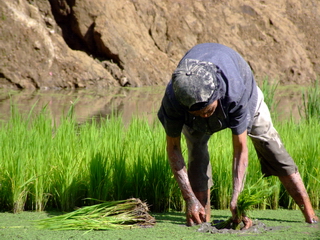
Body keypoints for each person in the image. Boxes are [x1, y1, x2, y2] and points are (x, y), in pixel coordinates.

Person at [157, 43, 319, 228]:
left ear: (216, 96)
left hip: (244, 93)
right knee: (197, 154)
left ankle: (310, 215)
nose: (204, 115)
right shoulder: (174, 99)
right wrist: (189, 198)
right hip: (192, 108)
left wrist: (237, 197)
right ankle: (202, 219)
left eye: (208, 110)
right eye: (198, 113)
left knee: (273, 149)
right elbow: (174, 148)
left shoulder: (234, 91)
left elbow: (240, 149)